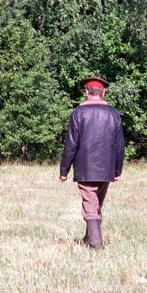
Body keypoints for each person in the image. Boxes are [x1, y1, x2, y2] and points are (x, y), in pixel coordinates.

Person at [59, 77, 124, 248]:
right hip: (106, 169)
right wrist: (117, 170)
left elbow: (71, 145)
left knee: (90, 206)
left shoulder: (78, 113)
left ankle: (96, 245)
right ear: (104, 93)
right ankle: (89, 239)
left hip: (85, 169)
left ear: (86, 92)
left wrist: (64, 170)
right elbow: (120, 146)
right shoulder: (114, 114)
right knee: (95, 205)